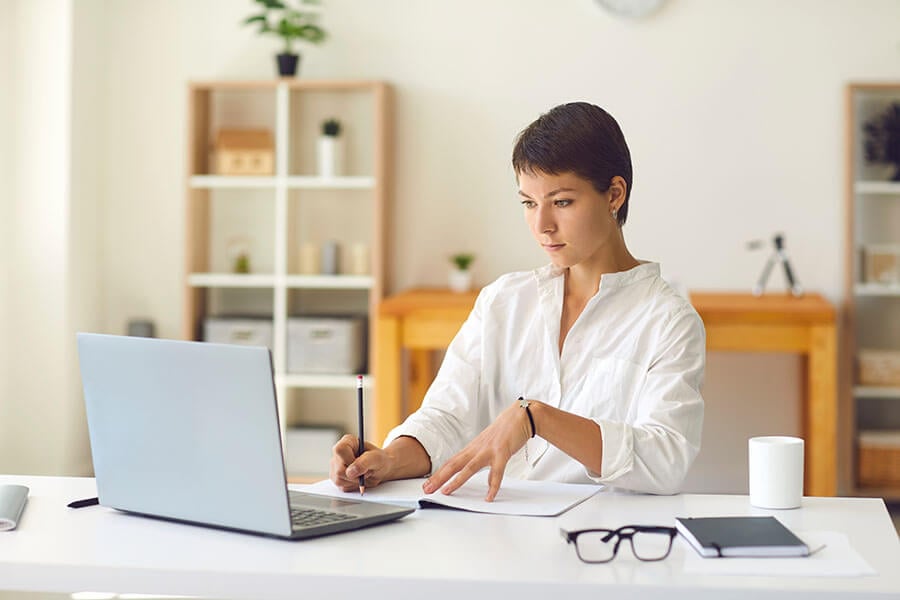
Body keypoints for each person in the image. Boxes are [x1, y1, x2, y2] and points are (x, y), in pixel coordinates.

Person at [330, 102, 705, 500]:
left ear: (614, 194)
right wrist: (389, 459)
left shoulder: (668, 320)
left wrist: (537, 418)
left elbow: (665, 461)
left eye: (562, 202)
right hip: (492, 531)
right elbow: (445, 417)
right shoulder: (503, 301)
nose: (542, 225)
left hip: (597, 541)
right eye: (529, 203)